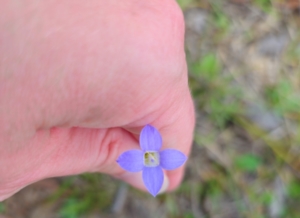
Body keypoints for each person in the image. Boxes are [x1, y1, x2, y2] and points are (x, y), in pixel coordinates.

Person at [0, 0, 195, 201]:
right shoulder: (149, 145)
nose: (151, 158)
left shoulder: (162, 154)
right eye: (151, 157)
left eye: (150, 157)